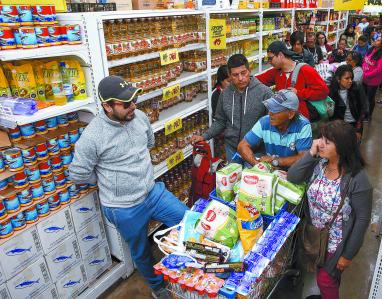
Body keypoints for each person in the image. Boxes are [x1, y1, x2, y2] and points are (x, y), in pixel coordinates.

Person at [69, 75, 188, 299]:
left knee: (187, 220)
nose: (133, 106)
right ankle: (158, 287)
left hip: (152, 192)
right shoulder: (92, 137)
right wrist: (107, 181)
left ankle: (181, 270)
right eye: (126, 104)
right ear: (107, 106)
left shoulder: (140, 117)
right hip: (123, 207)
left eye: (134, 100)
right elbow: (77, 174)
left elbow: (149, 143)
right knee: (141, 251)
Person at [287, 120, 372, 299]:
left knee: (325, 279)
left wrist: (348, 255)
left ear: (342, 147)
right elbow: (293, 177)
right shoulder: (319, 165)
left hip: (337, 242)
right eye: (321, 138)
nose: (321, 143)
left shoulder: (357, 179)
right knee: (326, 274)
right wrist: (311, 153)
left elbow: (362, 220)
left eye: (328, 141)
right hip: (316, 236)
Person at [192, 54, 273, 161]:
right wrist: (204, 136)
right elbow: (221, 121)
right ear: (230, 76)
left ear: (249, 71)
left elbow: (272, 123)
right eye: (235, 75)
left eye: (243, 73)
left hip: (255, 150)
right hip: (231, 149)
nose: (240, 78)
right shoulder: (225, 94)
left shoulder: (264, 92)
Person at [256, 41, 330, 122]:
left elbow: (323, 91)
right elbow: (257, 80)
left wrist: (298, 93)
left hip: (302, 121)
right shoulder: (276, 72)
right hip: (284, 120)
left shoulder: (305, 70)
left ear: (280, 55)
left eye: (270, 58)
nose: (269, 62)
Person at [238, 89, 312, 169]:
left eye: (276, 110)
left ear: (290, 114)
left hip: (293, 170)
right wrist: (257, 165)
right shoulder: (264, 122)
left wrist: (276, 161)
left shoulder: (303, 125)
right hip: (271, 168)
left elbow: (304, 158)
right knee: (247, 165)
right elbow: (242, 145)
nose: (270, 113)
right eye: (270, 108)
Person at [329, 65, 368, 139]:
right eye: (347, 78)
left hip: (355, 124)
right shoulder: (332, 92)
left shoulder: (357, 88)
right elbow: (331, 114)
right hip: (340, 126)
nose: (350, 81)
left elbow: (364, 108)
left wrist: (358, 130)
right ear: (338, 79)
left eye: (351, 78)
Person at [362, 33, 382, 118]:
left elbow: (378, 69)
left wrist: (367, 74)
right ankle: (364, 112)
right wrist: (363, 71)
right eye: (376, 39)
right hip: (364, 78)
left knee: (370, 98)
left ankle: (368, 115)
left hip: (373, 81)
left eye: (378, 40)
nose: (375, 41)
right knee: (363, 97)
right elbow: (364, 60)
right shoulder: (371, 49)